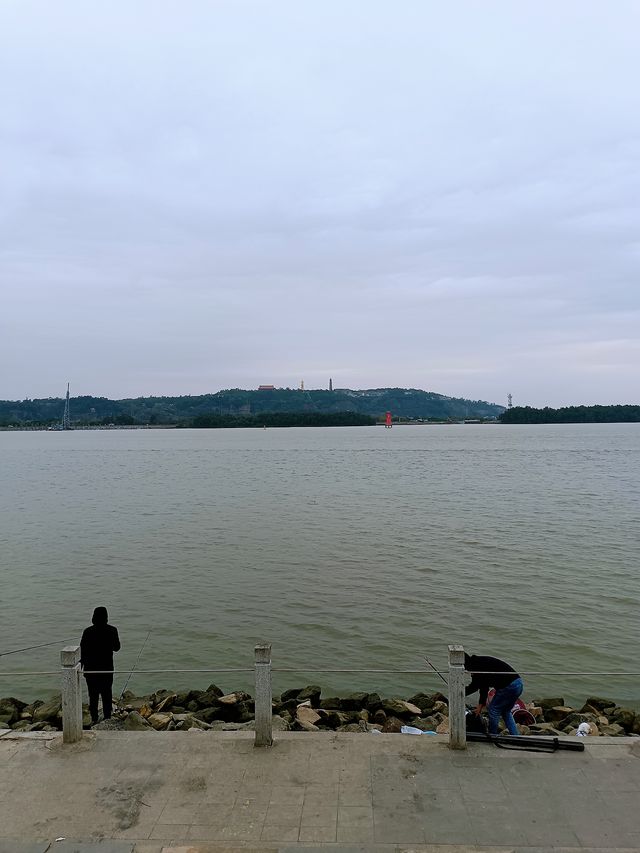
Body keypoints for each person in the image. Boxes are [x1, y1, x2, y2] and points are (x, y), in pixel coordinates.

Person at [464, 652, 523, 736]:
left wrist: (461, 693)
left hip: (509, 686)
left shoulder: (476, 667)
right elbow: (481, 685)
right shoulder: (478, 662)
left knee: (493, 710)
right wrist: (480, 705)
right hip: (518, 683)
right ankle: (515, 736)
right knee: (506, 711)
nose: (466, 671)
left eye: (465, 669)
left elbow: (480, 687)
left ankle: (493, 736)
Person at [80, 606, 121, 725]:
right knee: (106, 693)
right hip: (106, 669)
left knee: (92, 695)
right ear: (106, 617)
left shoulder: (87, 632)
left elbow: (83, 650)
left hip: (91, 669)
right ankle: (107, 717)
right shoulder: (112, 630)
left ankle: (94, 718)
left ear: (93, 617)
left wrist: (83, 664)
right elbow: (117, 648)